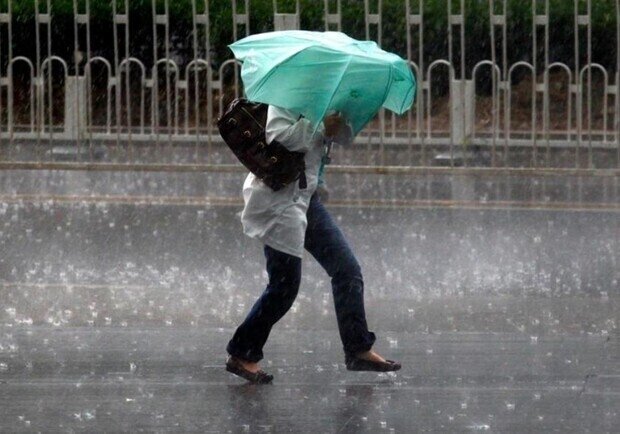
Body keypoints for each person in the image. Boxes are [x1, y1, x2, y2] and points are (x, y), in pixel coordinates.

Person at [225, 105, 401, 384]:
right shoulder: (287, 94)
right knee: (284, 287)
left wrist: (340, 123)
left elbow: (339, 138)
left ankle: (358, 348)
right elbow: (278, 135)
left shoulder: (327, 95)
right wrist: (320, 127)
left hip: (306, 199)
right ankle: (242, 352)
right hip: (279, 199)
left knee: (347, 270)